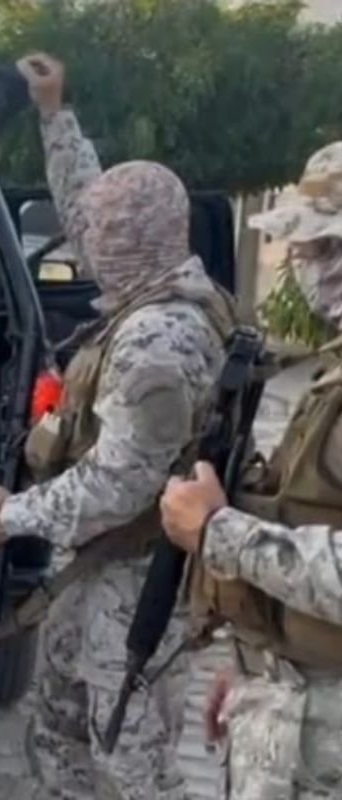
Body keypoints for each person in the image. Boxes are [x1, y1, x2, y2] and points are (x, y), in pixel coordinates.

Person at [0, 54, 236, 799]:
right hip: (97, 564)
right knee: (56, 729)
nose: (87, 241)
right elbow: (88, 203)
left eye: (105, 233)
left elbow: (118, 484)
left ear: (133, 241)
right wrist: (53, 113)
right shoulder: (155, 283)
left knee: (130, 758)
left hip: (138, 576)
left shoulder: (160, 340)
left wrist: (9, 516)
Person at [161, 141, 342, 800]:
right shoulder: (331, 372)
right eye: (306, 249)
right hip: (292, 699)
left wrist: (218, 531)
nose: (311, 269)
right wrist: (253, 668)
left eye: (328, 248)